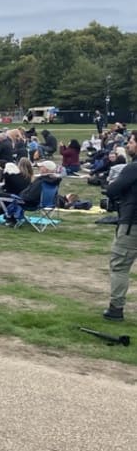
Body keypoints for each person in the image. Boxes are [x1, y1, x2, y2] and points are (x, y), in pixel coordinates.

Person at [104, 134, 137, 321]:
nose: (128, 145)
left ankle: (116, 309)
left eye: (131, 142)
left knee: (120, 266)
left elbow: (112, 190)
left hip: (132, 224)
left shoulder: (133, 168)